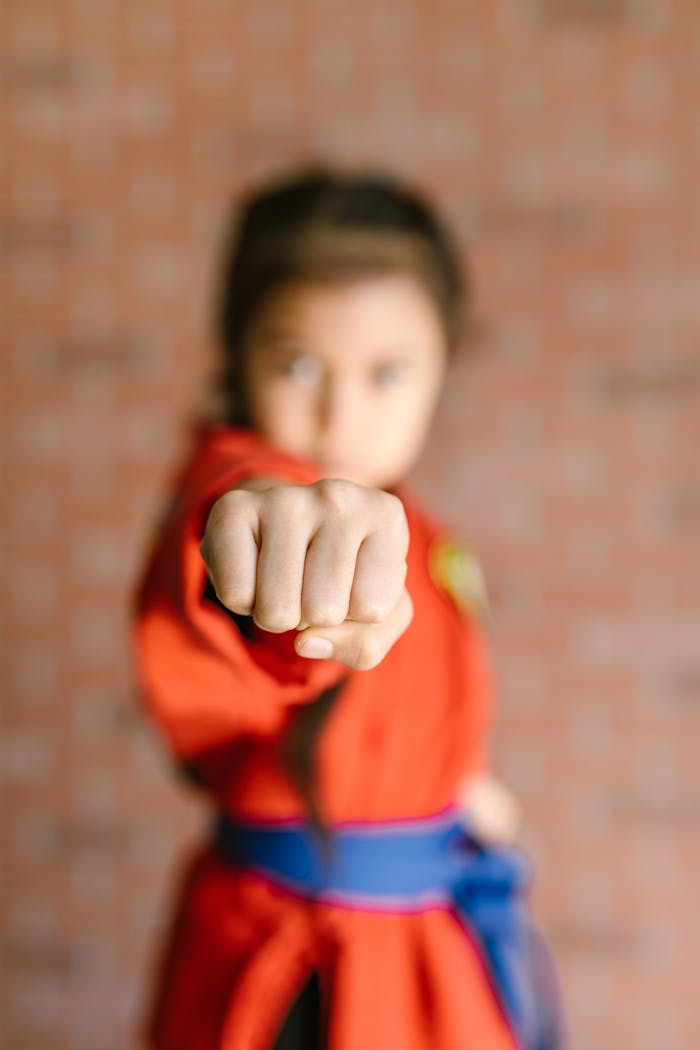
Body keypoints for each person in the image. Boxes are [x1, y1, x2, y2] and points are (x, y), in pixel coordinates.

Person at [133, 167, 564, 1050]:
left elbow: (396, 719)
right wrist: (257, 557)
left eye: (388, 372)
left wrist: (455, 788)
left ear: (445, 365)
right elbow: (236, 589)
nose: (339, 414)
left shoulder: (430, 541)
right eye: (297, 364)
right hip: (299, 976)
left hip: (433, 940)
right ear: (236, 359)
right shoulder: (235, 503)